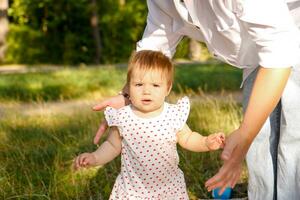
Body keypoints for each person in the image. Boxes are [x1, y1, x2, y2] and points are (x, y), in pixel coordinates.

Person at [92, 1, 300, 199]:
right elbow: (154, 48)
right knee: (259, 136)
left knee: (293, 132)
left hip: (291, 28)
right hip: (259, 47)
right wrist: (127, 96)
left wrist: (245, 133)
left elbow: (278, 53)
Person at [75, 50, 225, 199]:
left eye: (155, 85)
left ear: (167, 88)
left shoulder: (172, 114)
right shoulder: (123, 117)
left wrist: (205, 142)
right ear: (128, 87)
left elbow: (188, 138)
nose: (146, 91)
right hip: (133, 190)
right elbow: (112, 146)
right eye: (139, 84)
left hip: (168, 188)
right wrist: (94, 158)